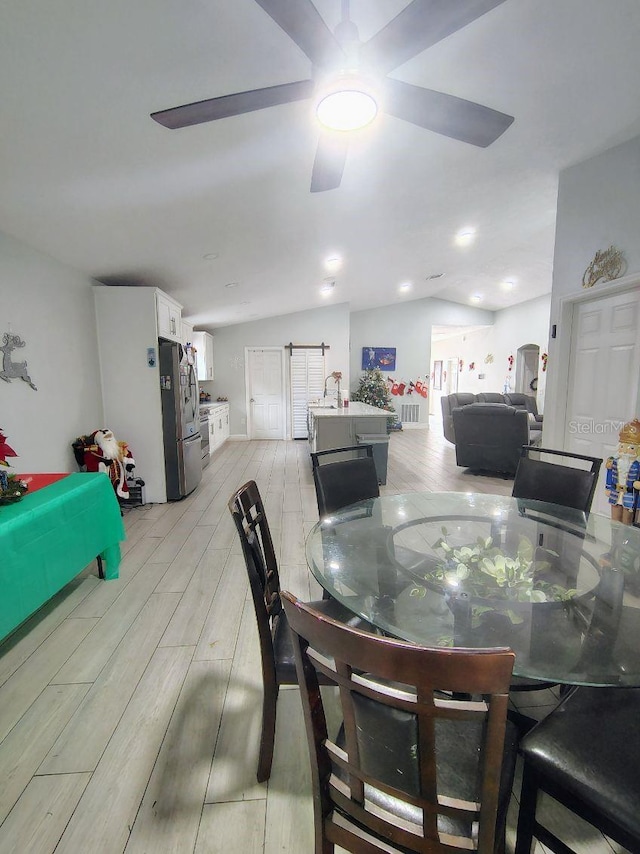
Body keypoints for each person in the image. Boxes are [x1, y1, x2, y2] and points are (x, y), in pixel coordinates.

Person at [83, 429, 135, 499]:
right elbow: (89, 462)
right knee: (105, 493)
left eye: (110, 436)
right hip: (105, 476)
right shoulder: (94, 450)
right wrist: (102, 463)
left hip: (118, 476)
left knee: (117, 491)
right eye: (106, 438)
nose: (109, 439)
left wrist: (129, 463)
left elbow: (127, 453)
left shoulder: (117, 447)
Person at [605, 419, 640, 524]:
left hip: (631, 496)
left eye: (630, 448)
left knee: (627, 523)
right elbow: (610, 475)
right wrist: (608, 487)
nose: (625, 450)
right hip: (616, 494)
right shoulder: (614, 461)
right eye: (622, 446)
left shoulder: (637, 464)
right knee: (615, 522)